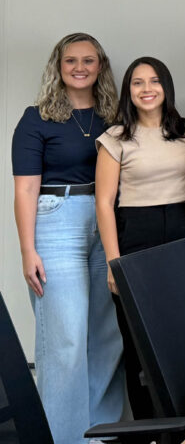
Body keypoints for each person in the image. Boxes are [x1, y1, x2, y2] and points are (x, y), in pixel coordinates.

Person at [12, 33, 124, 443]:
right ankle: (65, 438)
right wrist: (28, 251)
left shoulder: (114, 116)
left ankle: (102, 436)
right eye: (71, 60)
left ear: (100, 66)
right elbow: (24, 190)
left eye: (88, 60)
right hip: (57, 220)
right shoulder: (37, 118)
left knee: (106, 337)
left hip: (105, 221)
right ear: (58, 66)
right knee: (66, 340)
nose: (80, 67)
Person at [95, 56, 185, 419]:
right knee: (139, 344)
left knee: (184, 337)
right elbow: (103, 203)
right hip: (135, 238)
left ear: (166, 87)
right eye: (138, 83)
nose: (147, 89)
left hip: (183, 235)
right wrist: (114, 264)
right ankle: (147, 429)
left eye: (154, 81)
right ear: (128, 91)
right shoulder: (115, 138)